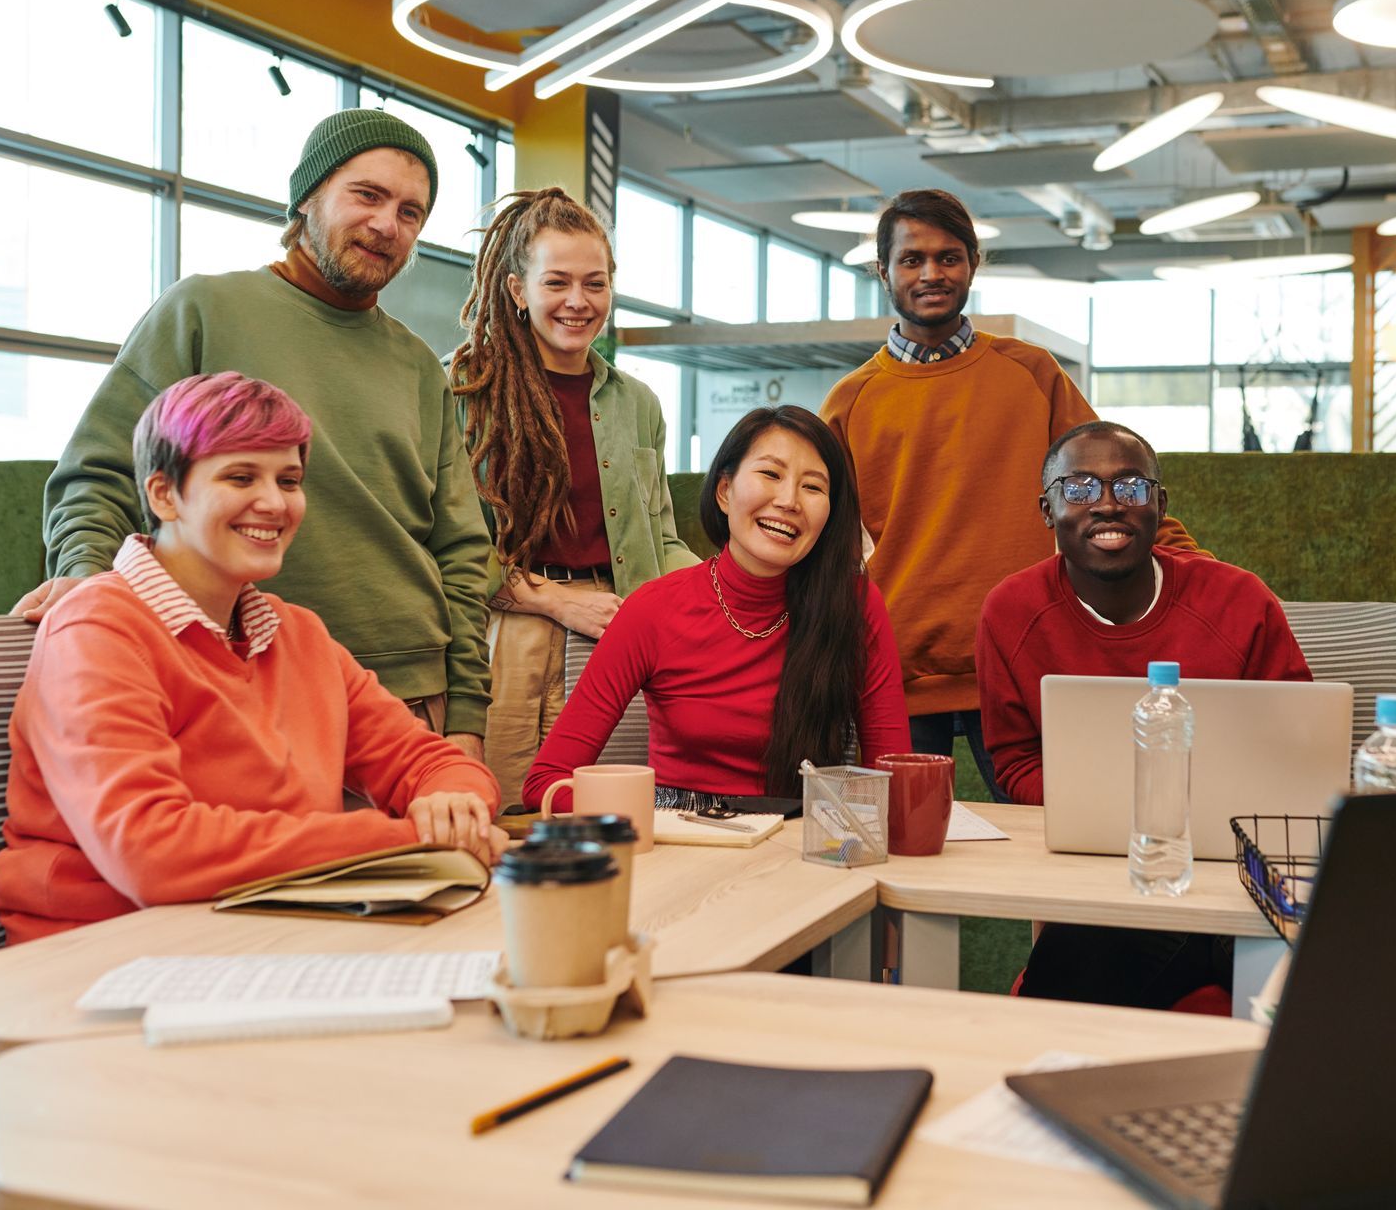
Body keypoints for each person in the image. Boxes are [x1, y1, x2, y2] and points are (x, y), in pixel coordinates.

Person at [12, 108, 495, 760]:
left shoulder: (418, 365)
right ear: (306, 198)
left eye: (411, 213)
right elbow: (99, 473)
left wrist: (465, 708)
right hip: (235, 677)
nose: (388, 225)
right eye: (368, 195)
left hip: (409, 695)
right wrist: (86, 582)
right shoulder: (204, 310)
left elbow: (462, 552)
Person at [0, 374, 505, 946]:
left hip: (268, 926)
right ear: (164, 494)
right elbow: (150, 852)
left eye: (289, 480)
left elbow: (429, 763)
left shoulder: (298, 634)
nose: (274, 502)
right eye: (240, 477)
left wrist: (452, 803)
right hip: (106, 953)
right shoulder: (98, 630)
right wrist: (408, 838)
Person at [822, 189, 1199, 800]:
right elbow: (822, 539)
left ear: (973, 264)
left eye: (949, 258)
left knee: (1065, 835)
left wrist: (1200, 572)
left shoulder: (1032, 372)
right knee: (901, 849)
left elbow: (1113, 486)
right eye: (912, 260)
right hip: (901, 663)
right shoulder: (850, 401)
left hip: (1031, 653)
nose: (931, 274)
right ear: (883, 271)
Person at [976, 419, 1310, 1009]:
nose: (1107, 505)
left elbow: (1300, 744)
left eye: (1129, 488)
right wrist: (1124, 811)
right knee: (1074, 982)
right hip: (1112, 876)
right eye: (1079, 489)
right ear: (1048, 510)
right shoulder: (1011, 612)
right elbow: (1016, 760)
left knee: (1322, 980)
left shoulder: (1241, 601)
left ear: (1159, 506)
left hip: (1241, 876)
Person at [523, 405, 909, 807]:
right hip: (680, 841)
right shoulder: (653, 611)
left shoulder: (854, 605)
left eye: (813, 487)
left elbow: (895, 777)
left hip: (804, 847)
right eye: (770, 474)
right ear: (725, 491)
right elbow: (546, 784)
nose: (789, 500)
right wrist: (641, 816)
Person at [450, 187, 698, 804]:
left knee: (613, 812)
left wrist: (727, 590)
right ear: (516, 290)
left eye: (595, 283)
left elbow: (661, 536)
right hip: (512, 629)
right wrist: (559, 603)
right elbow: (449, 543)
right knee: (514, 810)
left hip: (621, 632)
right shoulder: (466, 390)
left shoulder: (636, 402)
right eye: (557, 282)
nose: (577, 302)